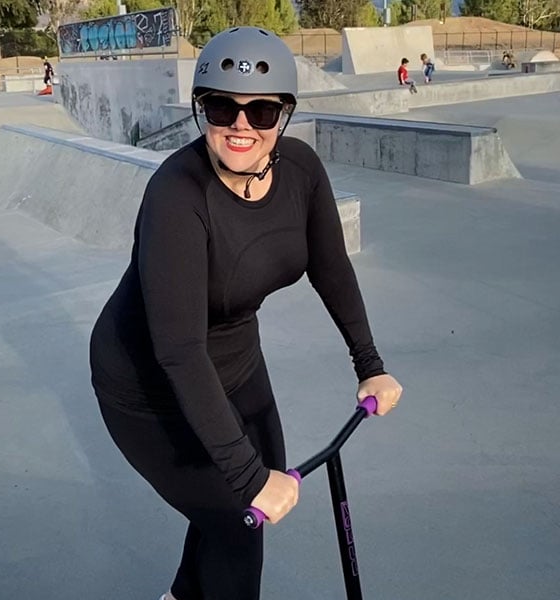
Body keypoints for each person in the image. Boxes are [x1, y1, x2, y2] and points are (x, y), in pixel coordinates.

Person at [89, 26, 403, 600]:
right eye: (220, 107)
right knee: (239, 521)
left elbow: (331, 267)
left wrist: (370, 363)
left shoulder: (302, 171)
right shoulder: (176, 197)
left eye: (260, 110)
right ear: (199, 109)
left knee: (234, 504)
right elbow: (179, 352)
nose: (240, 125)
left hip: (236, 362)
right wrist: (245, 480)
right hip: (146, 388)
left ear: (283, 114)